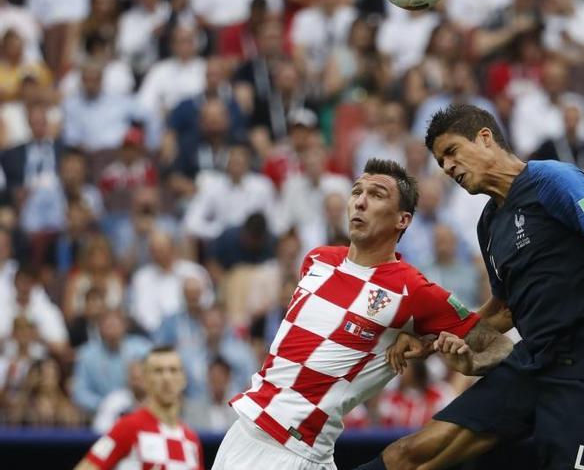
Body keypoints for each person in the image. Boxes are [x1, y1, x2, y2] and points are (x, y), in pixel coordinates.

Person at [360, 104, 584, 470]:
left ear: (485, 138)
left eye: (451, 152)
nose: (446, 168)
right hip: (531, 365)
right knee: (408, 456)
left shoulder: (554, 181)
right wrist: (431, 342)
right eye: (440, 161)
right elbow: (504, 310)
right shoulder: (489, 225)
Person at [211, 159, 512, 469]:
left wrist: (465, 361)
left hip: (293, 451)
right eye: (357, 191)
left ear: (402, 220)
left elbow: (497, 344)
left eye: (377, 194)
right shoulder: (317, 259)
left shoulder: (412, 288)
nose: (361, 201)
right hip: (242, 430)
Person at [75, 346, 204, 470]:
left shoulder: (191, 439)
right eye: (158, 371)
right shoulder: (127, 427)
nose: (167, 378)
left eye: (173, 370)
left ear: (184, 379)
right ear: (145, 379)